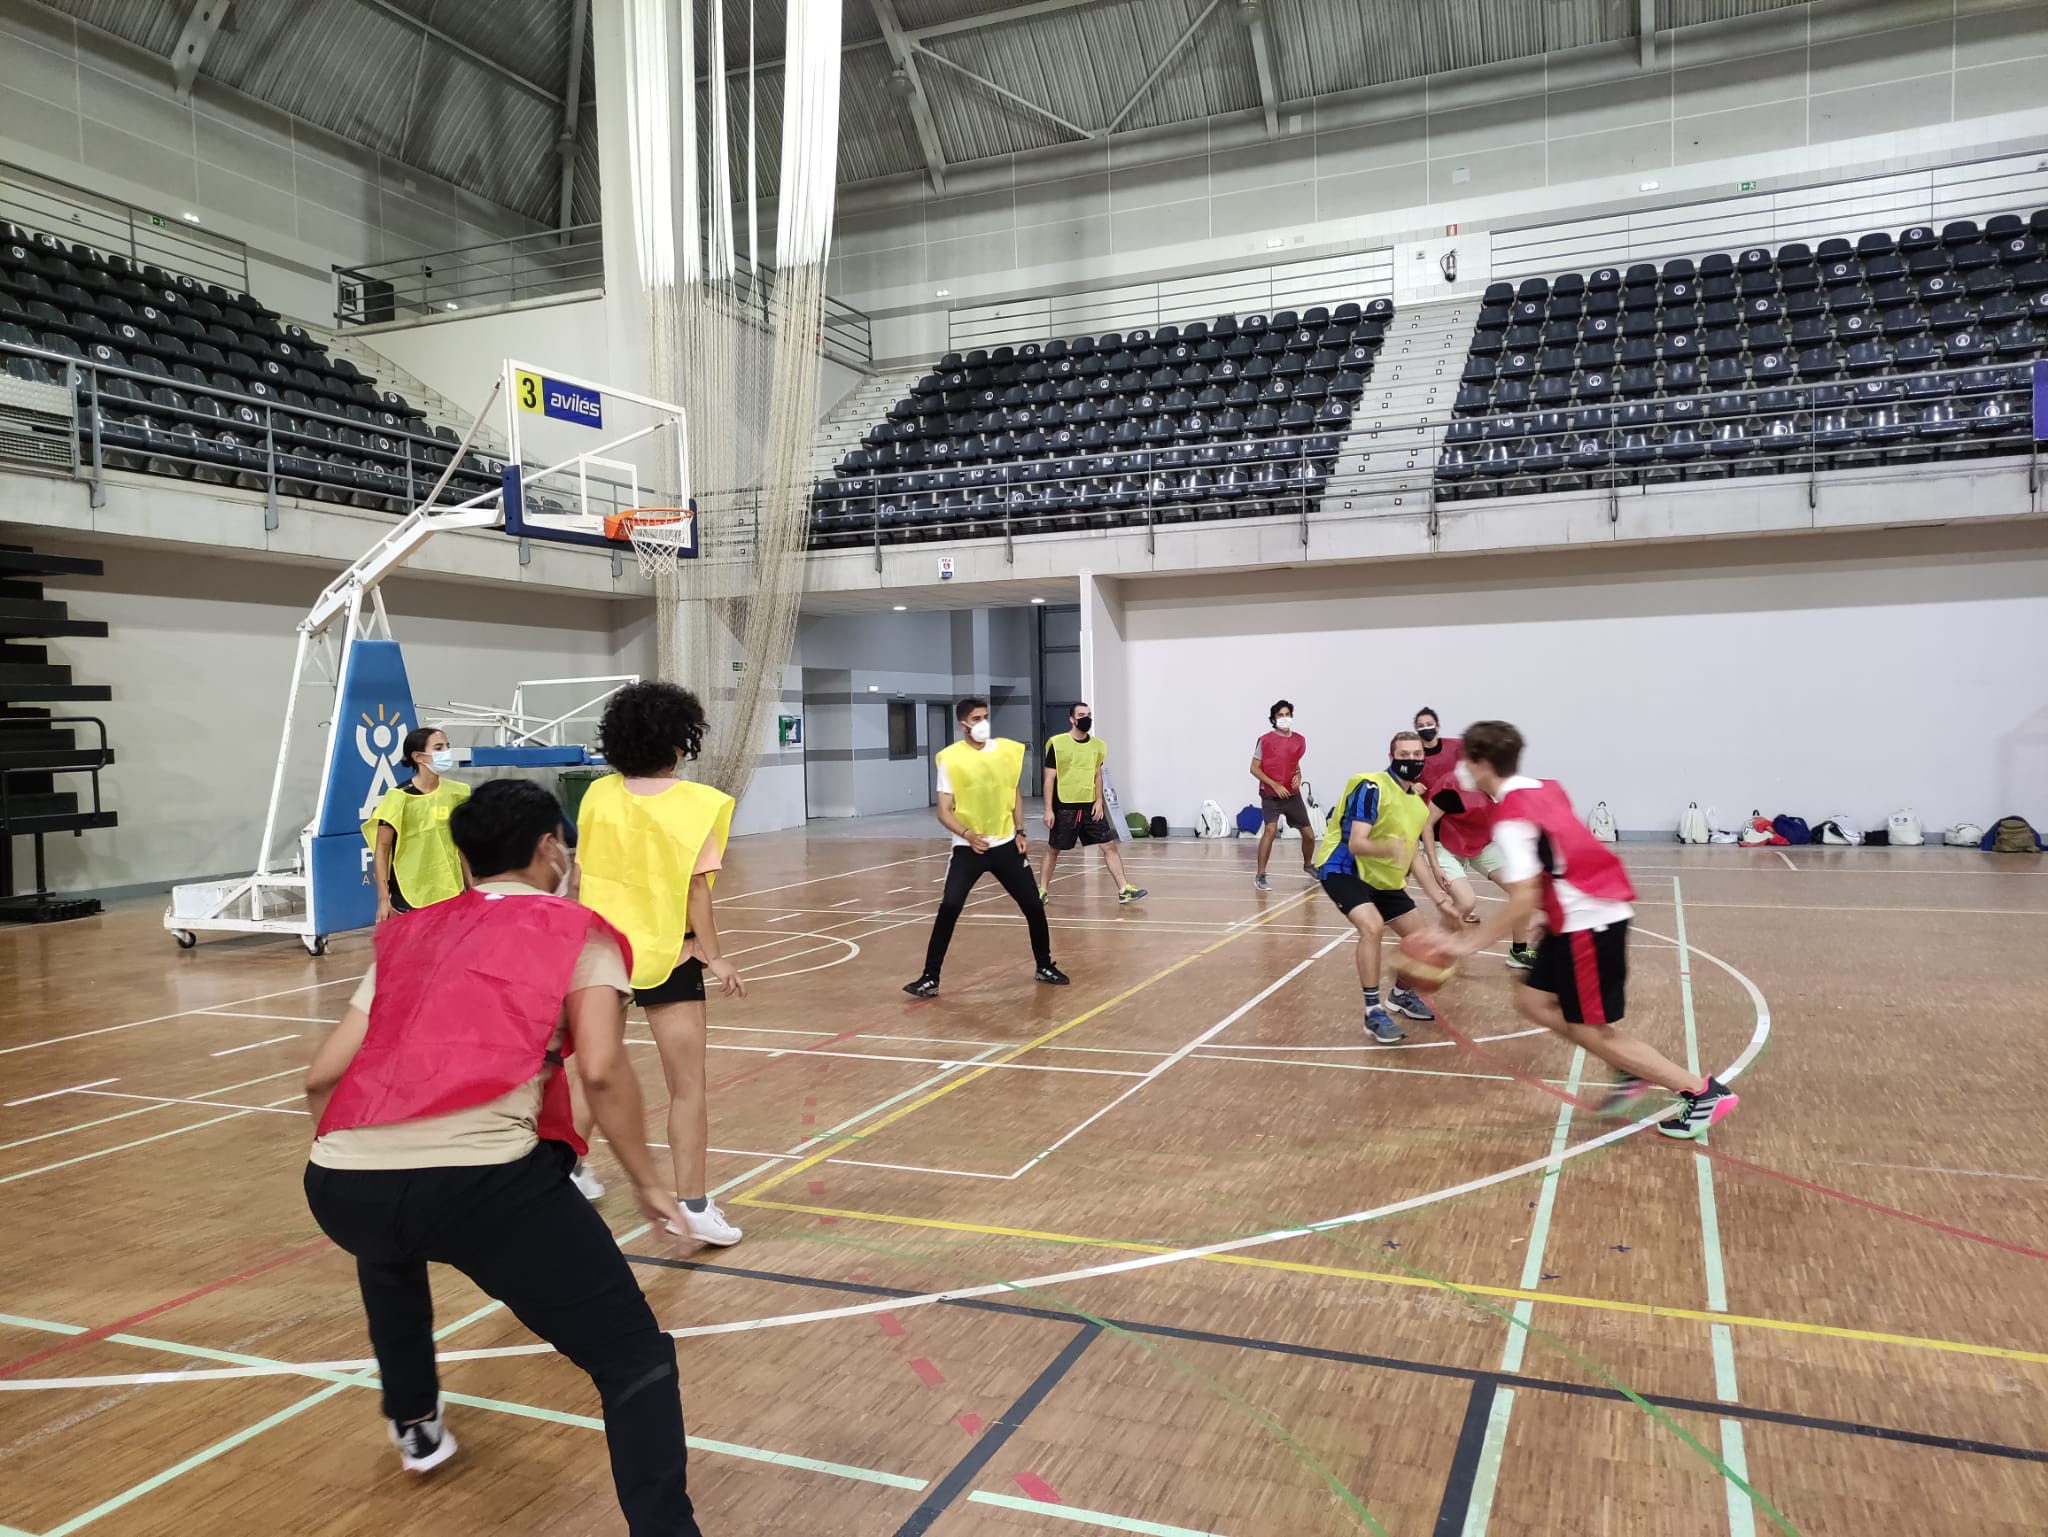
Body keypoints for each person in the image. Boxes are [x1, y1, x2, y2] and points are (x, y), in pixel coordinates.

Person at [302, 779, 703, 1534]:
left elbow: (322, 1074)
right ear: (552, 847)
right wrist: (648, 1182)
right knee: (632, 1358)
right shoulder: (576, 931)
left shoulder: (407, 935)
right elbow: (603, 1070)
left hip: (339, 1183)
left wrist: (360, 1146)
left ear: (460, 856)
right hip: (483, 1185)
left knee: (389, 1241)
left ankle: (415, 1419)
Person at [1428, 720, 1738, 1139]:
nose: (1461, 768)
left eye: (1466, 760)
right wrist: (1549, 910)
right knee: (1533, 1001)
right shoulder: (1544, 788)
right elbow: (1562, 853)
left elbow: (1521, 895)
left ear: (1481, 764)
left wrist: (1467, 946)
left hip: (1589, 923)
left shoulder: (1511, 818)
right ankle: (1627, 1067)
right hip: (1578, 912)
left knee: (1589, 1030)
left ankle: (1701, 1092)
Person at [576, 681, 748, 1248]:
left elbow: (582, 876)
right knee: (687, 1087)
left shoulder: (596, 796)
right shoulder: (697, 805)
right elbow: (697, 892)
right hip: (669, 953)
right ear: (681, 740)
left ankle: (569, 1175)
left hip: (599, 951)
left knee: (590, 1075)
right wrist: (714, 954)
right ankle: (694, 1206)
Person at [904, 697, 1068, 998]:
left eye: (985, 716)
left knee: (1032, 905)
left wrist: (1020, 831)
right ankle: (930, 978)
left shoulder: (1004, 751)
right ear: (962, 723)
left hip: (1006, 844)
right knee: (949, 907)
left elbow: (1014, 794)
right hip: (969, 849)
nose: (983, 723)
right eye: (976, 718)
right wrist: (967, 834)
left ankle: (1044, 965)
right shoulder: (950, 759)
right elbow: (943, 810)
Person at [1314, 731, 1458, 1043]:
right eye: (1403, 755)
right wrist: (1388, 849)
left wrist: (1439, 898)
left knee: (1421, 940)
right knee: (1372, 926)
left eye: (1415, 755)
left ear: (1423, 758)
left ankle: (1399, 995)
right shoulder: (1372, 787)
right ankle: (1372, 1012)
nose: (1410, 760)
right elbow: (1356, 843)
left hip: (1383, 879)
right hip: (1343, 868)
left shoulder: (1418, 806)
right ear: (1391, 757)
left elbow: (1413, 856)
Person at [1423, 761, 1541, 971]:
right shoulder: (1453, 787)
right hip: (1447, 845)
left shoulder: (1506, 788)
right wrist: (1434, 865)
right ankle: (1435, 949)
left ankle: (1519, 952)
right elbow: (1427, 824)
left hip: (1481, 845)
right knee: (1466, 902)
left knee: (1522, 890)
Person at [1038, 701, 1146, 905]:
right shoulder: (1058, 744)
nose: (1085, 717)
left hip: (1090, 807)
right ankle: (1042, 890)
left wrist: (1099, 801)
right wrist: (1048, 810)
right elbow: (1049, 779)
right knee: (1054, 848)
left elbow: (1097, 776)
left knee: (1109, 846)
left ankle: (1124, 889)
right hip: (1065, 806)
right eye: (1081, 714)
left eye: (1088, 714)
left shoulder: (1097, 746)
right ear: (1072, 719)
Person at [364, 726, 469, 922]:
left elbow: (461, 846)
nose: (446, 752)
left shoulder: (458, 792)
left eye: (447, 746)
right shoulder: (398, 797)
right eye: (438, 748)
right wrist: (383, 899)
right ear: (418, 757)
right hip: (410, 889)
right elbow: (382, 850)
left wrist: (471, 888)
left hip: (450, 887)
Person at [1250, 699, 1313, 892]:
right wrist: (1274, 785)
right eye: (1280, 715)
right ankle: (1260, 875)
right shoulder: (1265, 740)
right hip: (1270, 794)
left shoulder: (1299, 740)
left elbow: (1294, 763)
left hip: (1292, 795)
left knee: (1309, 835)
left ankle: (1308, 865)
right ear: (1273, 719)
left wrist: (1299, 775)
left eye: (1287, 714)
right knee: (1270, 830)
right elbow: (1254, 768)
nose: (1284, 718)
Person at [1413, 706, 1461, 796]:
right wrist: (1412, 786)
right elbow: (1400, 779)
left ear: (1437, 726)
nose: (1426, 728)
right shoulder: (1412, 755)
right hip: (1427, 805)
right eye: (1421, 726)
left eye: (1429, 724)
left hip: (1458, 803)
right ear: (1416, 729)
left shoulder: (1456, 746)